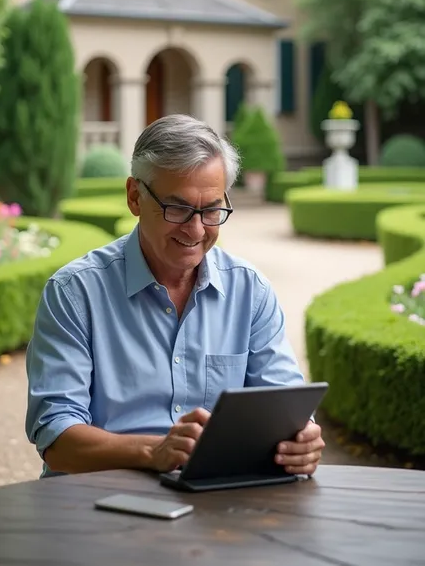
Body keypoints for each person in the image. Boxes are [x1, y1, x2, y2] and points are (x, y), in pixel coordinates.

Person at [25, 114, 325, 479]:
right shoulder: (74, 293)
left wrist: (301, 441)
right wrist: (155, 451)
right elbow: (57, 441)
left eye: (212, 209)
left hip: (215, 505)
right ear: (134, 197)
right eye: (178, 208)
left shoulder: (250, 291)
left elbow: (286, 411)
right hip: (99, 501)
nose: (196, 229)